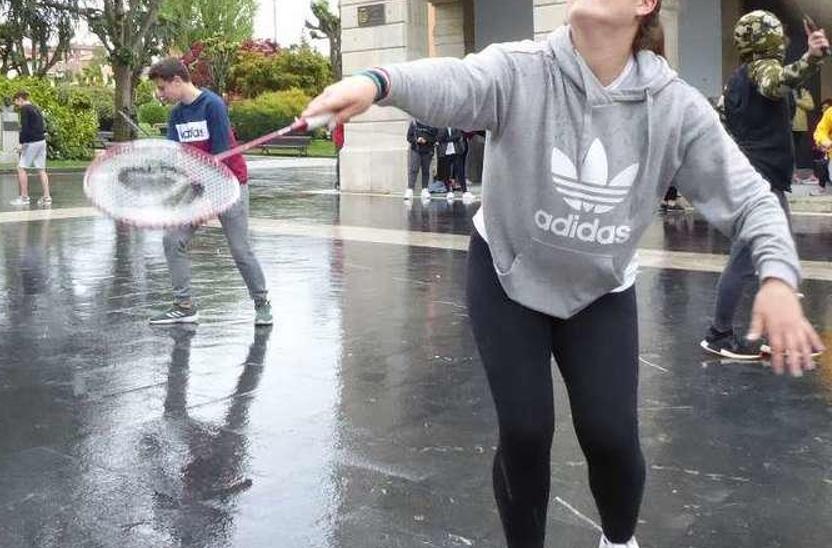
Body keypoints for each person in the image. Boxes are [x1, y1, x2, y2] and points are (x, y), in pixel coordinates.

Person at [300, 1, 824, 547]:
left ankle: (618, 540)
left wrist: (779, 278)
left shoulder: (673, 106)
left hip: (600, 287)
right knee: (525, 431)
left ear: (645, 5)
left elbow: (751, 201)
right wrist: (375, 79)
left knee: (613, 439)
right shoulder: (522, 68)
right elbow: (455, 79)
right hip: (508, 274)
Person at [702, 10, 827, 359]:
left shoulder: (736, 79)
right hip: (761, 182)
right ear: (767, 38)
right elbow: (777, 82)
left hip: (758, 176)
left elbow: (724, 123)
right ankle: (718, 334)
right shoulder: (762, 70)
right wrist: (812, 58)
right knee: (745, 257)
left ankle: (779, 332)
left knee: (778, 251)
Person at [145, 58, 270, 326]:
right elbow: (177, 154)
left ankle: (262, 302)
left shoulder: (212, 105)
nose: (160, 94)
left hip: (229, 183)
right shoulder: (176, 115)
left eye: (162, 87)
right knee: (172, 239)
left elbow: (222, 153)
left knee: (239, 249)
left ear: (177, 81)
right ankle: (184, 305)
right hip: (200, 185)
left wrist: (209, 206)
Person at [10, 90, 52, 207]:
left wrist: (21, 144)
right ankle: (47, 197)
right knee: (41, 169)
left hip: (31, 142)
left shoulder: (25, 109)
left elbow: (25, 128)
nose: (17, 105)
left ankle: (24, 197)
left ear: (20, 99)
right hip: (41, 141)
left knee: (21, 168)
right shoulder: (35, 108)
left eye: (16, 102)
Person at [405, 120, 437, 200]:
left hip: (427, 150)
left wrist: (426, 140)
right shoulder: (414, 123)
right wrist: (417, 140)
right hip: (416, 149)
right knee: (414, 169)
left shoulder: (431, 123)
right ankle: (410, 189)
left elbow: (435, 137)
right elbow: (409, 137)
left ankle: (425, 189)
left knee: (426, 170)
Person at [791, 87, 815, 182]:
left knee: (799, 151)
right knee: (788, 150)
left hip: (799, 126)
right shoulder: (783, 89)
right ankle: (791, 174)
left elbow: (811, 106)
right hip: (785, 124)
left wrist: (796, 101)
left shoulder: (802, 91)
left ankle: (800, 175)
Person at [814, 98, 832, 193]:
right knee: (822, 163)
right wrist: (824, 140)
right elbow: (820, 131)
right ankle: (821, 187)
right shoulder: (830, 113)